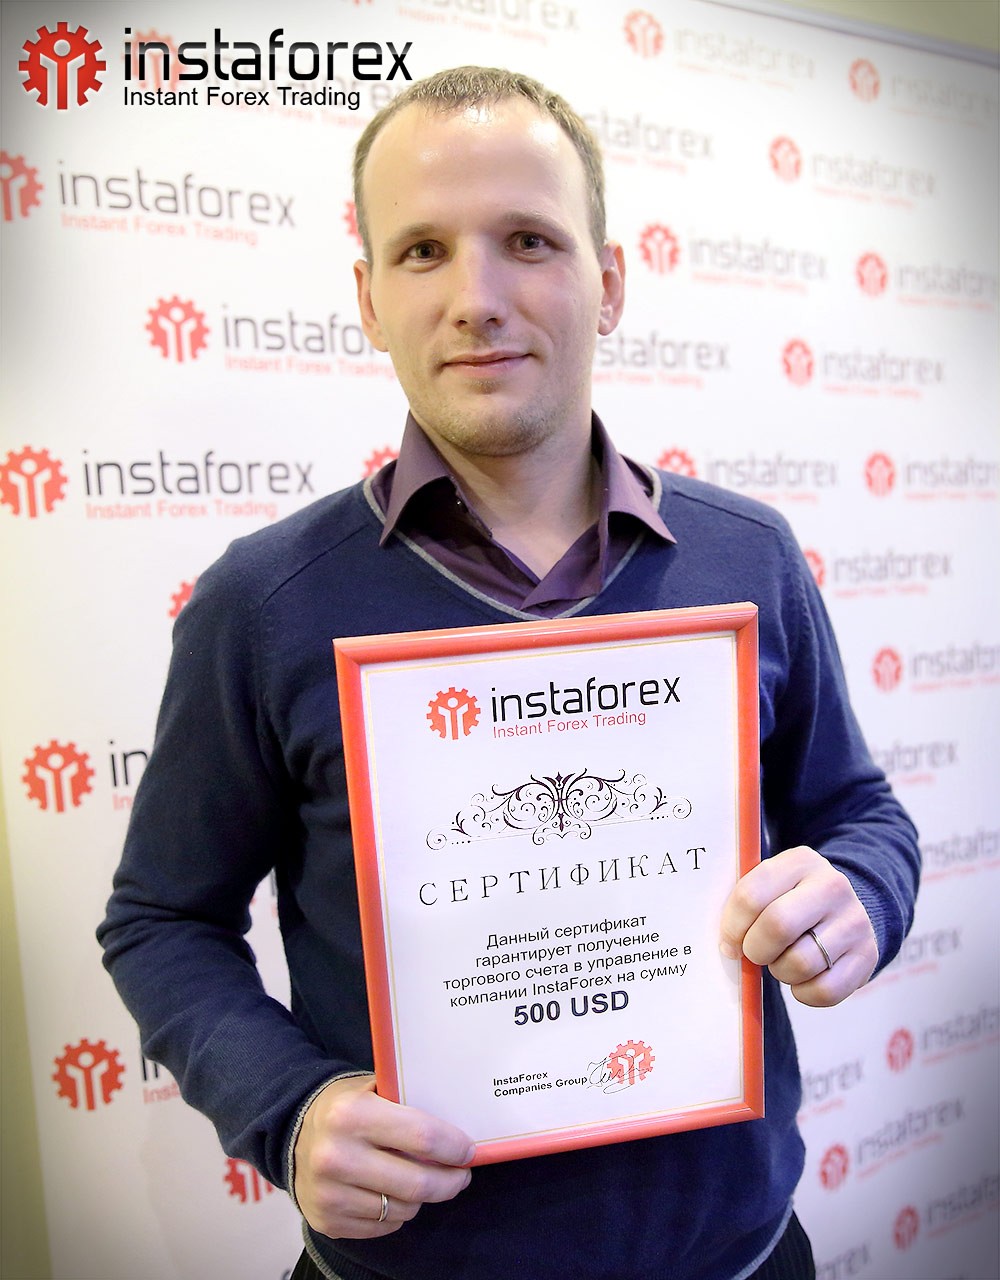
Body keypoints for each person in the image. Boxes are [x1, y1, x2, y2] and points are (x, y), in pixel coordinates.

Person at [99, 66, 919, 1280]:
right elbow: (161, 920)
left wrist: (860, 894)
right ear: (369, 298)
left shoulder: (750, 557)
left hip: (743, 1256)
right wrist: (288, 1106)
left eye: (528, 240)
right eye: (422, 250)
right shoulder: (262, 605)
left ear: (610, 281)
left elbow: (861, 813)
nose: (476, 299)